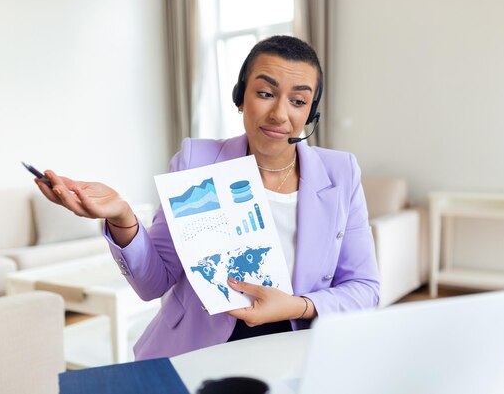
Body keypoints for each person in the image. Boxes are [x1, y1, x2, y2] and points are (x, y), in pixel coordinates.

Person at [35, 35, 379, 360]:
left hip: (299, 350)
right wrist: (122, 217)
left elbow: (365, 288)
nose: (279, 114)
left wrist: (296, 306)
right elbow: (153, 282)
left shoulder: (341, 173)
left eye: (299, 101)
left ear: (311, 112)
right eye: (265, 93)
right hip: (198, 351)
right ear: (240, 97)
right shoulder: (195, 162)